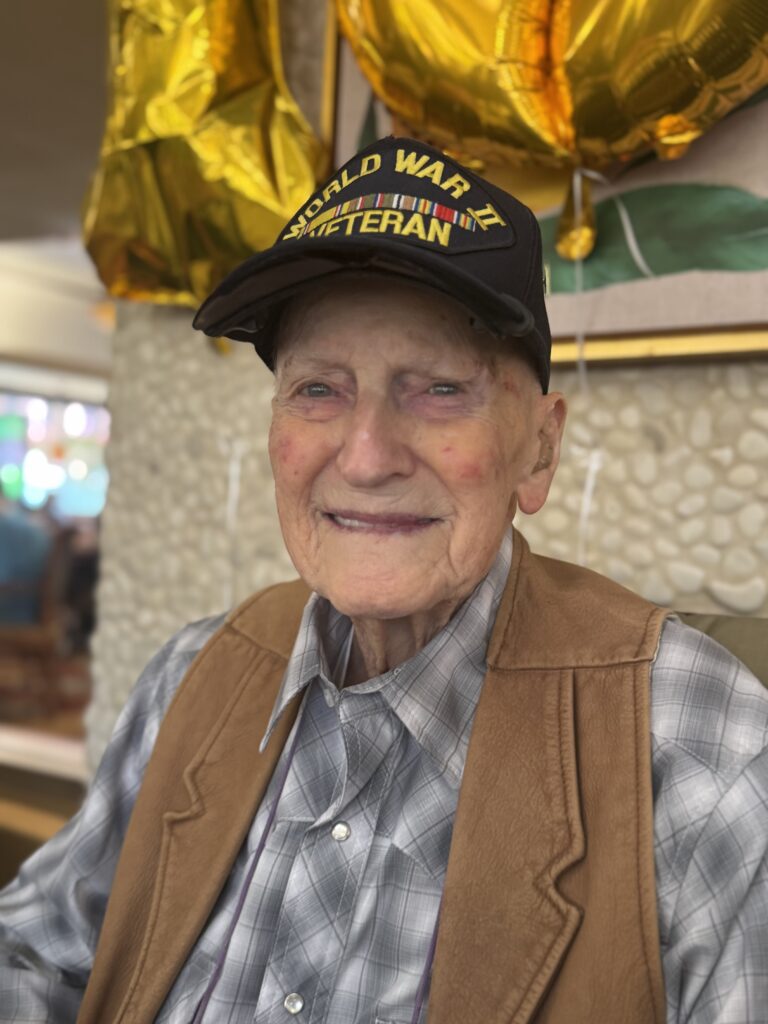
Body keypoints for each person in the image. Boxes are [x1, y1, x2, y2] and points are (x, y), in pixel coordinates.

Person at [1, 137, 767, 1023]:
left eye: (438, 389)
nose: (365, 458)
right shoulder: (194, 674)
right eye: (318, 390)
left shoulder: (702, 749)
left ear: (539, 449)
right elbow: (35, 950)